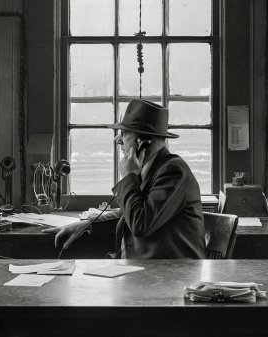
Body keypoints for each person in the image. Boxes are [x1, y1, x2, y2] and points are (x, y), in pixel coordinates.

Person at [46, 99, 206, 258]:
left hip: (172, 276)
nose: (118, 140)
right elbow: (127, 215)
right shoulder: (152, 169)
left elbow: (140, 224)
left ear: (142, 141)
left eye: (124, 133)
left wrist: (129, 176)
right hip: (146, 273)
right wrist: (87, 225)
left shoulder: (173, 171)